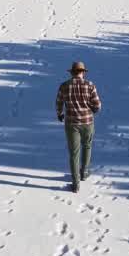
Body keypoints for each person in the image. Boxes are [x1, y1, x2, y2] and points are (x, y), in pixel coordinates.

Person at [56, 61, 102, 192]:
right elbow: (97, 105)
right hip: (87, 122)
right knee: (87, 146)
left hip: (71, 123)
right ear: (83, 72)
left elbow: (59, 102)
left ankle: (75, 184)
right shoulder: (90, 85)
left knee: (74, 153)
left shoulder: (64, 86)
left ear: (71, 72)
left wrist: (60, 114)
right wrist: (91, 110)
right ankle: (84, 172)